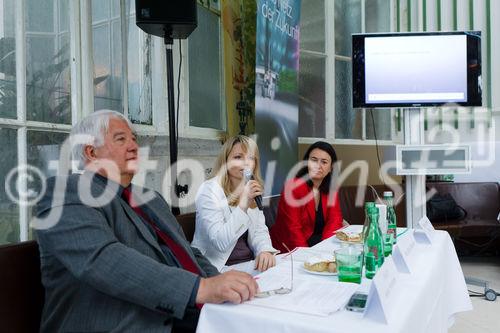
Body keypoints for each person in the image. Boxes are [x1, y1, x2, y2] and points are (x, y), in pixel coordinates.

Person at [34, 110, 258, 333]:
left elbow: (188, 253)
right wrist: (200, 289)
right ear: (91, 152)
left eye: (134, 138)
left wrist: (222, 283)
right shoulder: (65, 192)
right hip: (129, 323)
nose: (134, 146)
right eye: (121, 139)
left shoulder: (151, 199)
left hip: (191, 314)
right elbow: (103, 259)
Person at [192, 135, 278, 273]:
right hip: (216, 267)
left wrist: (265, 251)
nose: (246, 163)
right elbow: (220, 243)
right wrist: (243, 204)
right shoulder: (209, 190)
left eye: (250, 158)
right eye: (238, 157)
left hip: (247, 263)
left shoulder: (250, 187)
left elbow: (259, 230)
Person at [270, 141, 343, 252]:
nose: (318, 165)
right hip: (288, 246)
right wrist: (305, 255)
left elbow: (335, 219)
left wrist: (326, 248)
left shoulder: (331, 188)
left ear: (331, 168)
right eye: (313, 160)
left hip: (317, 242)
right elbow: (292, 229)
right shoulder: (294, 187)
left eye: (324, 162)